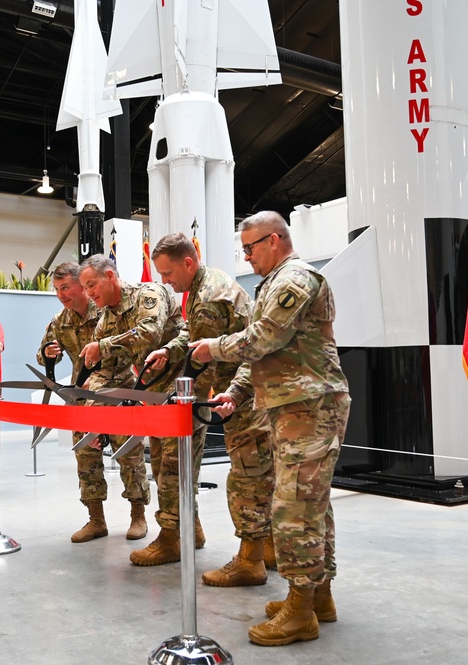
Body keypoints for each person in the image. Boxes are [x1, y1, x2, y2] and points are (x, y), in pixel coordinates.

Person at [190, 211, 350, 647]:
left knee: (294, 507)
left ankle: (301, 611)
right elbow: (261, 354)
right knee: (310, 503)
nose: (247, 256)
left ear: (275, 240)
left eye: (250, 247)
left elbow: (261, 339)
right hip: (290, 406)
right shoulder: (274, 283)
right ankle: (318, 597)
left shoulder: (295, 280)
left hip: (310, 407)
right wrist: (238, 393)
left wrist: (211, 349)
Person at [146, 232, 276, 587]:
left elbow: (205, 362)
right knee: (261, 475)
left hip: (244, 394)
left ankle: (250, 560)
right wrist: (169, 352)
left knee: (247, 478)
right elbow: (193, 338)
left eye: (168, 273)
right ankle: (269, 549)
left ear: (188, 262)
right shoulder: (207, 284)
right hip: (250, 389)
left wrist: (184, 407)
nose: (165, 282)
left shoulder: (206, 297)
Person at [78, 254, 195, 565]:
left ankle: (172, 537)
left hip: (182, 385)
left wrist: (101, 346)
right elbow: (105, 372)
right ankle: (190, 528)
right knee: (161, 465)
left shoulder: (148, 295)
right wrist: (93, 416)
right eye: (85, 288)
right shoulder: (105, 319)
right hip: (153, 395)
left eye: (92, 284)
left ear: (110, 276)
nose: (89, 293)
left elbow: (149, 332)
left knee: (172, 467)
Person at [36, 262, 132, 543]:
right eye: (57, 290)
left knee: (129, 456)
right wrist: (49, 353)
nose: (61, 295)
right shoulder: (60, 321)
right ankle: (96, 520)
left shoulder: (106, 311)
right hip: (83, 398)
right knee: (86, 459)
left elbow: (127, 348)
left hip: (118, 393)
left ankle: (137, 516)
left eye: (65, 288)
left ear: (82, 285)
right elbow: (42, 354)